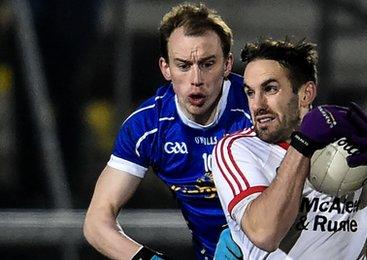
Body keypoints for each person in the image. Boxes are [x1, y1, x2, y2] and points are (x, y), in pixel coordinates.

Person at [211, 38, 367, 259]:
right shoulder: (237, 150)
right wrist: (302, 146)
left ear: (305, 94)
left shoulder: (353, 152)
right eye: (250, 92)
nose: (257, 105)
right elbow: (266, 234)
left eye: (270, 89)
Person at [83, 3, 251, 259]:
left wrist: (249, 238)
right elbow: (97, 223)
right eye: (183, 65)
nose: (196, 79)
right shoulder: (148, 127)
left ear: (227, 65)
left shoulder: (257, 108)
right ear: (166, 68)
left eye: (207, 64)